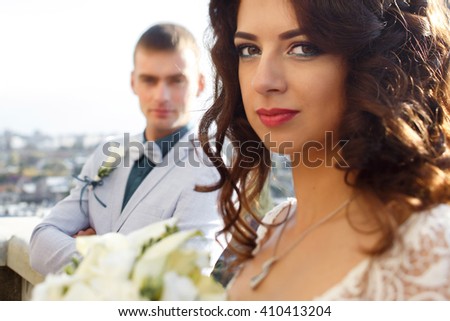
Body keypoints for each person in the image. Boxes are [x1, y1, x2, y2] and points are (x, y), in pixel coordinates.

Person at [199, 0, 450, 300]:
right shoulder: (274, 228)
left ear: (373, 60)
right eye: (249, 50)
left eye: (303, 48)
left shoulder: (433, 247)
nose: (262, 81)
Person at [30, 23, 222, 275]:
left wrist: (93, 251)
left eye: (176, 81)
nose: (161, 95)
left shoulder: (213, 173)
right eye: (149, 80)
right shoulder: (108, 152)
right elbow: (40, 243)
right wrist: (113, 262)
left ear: (199, 84)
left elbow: (182, 279)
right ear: (134, 82)